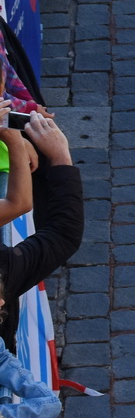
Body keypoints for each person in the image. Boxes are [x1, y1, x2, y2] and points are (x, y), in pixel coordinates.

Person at [0, 115, 84, 353]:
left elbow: (20, 204)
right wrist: (59, 157)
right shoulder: (5, 269)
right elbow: (63, 233)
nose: (2, 303)